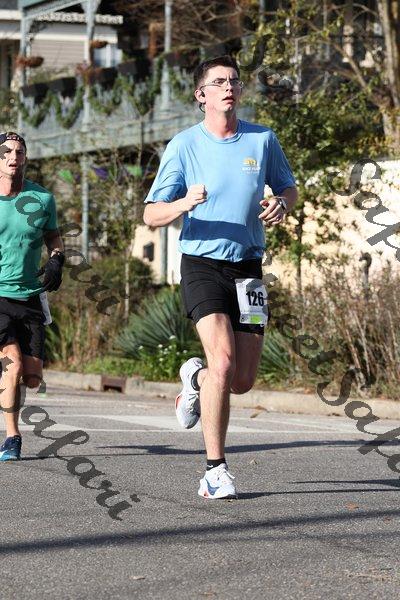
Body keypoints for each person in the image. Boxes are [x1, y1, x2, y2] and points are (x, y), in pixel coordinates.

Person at [143, 56, 297, 499]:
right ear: (201, 94)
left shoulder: (262, 140)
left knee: (242, 380)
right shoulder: (184, 145)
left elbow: (289, 188)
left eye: (234, 81)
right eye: (218, 82)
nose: (229, 87)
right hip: (202, 264)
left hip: (248, 268)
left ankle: (195, 379)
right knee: (224, 362)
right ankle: (215, 470)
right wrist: (183, 204)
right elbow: (151, 214)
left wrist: (282, 204)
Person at [0, 132, 64, 461]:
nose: (14, 157)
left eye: (19, 152)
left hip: (29, 296)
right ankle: (12, 437)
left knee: (32, 377)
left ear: (25, 158)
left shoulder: (42, 199)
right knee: (11, 367)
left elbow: (53, 236)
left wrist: (56, 259)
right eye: (7, 152)